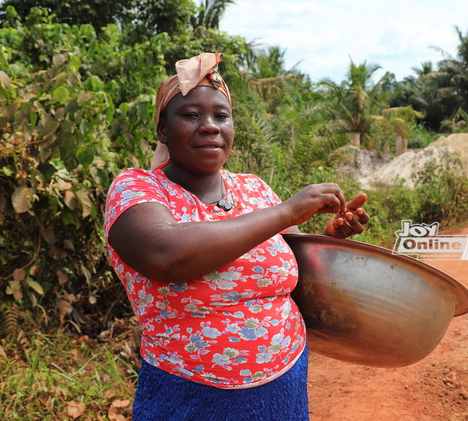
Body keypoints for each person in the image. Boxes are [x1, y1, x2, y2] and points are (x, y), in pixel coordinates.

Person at [104, 52, 370, 420]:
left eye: (220, 115)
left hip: (285, 384)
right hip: (189, 394)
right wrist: (288, 211)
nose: (210, 126)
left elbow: (297, 266)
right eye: (191, 115)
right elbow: (162, 255)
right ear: (163, 130)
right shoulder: (137, 187)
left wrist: (330, 238)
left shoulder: (255, 189)